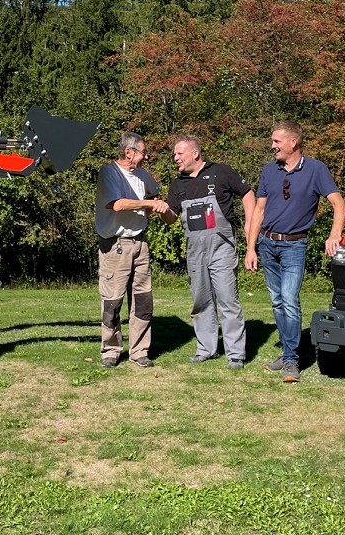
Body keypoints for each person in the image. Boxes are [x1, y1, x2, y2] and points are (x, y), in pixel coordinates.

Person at [245, 121, 345, 382]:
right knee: (277, 302)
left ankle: (291, 360)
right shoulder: (269, 171)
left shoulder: (316, 170)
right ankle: (289, 351)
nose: (273, 146)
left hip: (294, 245)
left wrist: (334, 234)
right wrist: (250, 247)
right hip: (267, 245)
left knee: (289, 300)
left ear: (293, 142)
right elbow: (259, 210)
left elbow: (338, 204)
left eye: (277, 141)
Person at [163, 136, 254, 369]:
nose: (175, 158)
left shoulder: (221, 172)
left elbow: (247, 193)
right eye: (175, 154)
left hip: (221, 247)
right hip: (195, 249)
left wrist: (250, 224)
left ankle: (235, 354)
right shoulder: (177, 185)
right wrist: (163, 210)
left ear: (195, 153)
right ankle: (206, 349)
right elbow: (172, 219)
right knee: (200, 301)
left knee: (227, 299)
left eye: (179, 154)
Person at [95, 131, 171, 368]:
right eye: (143, 152)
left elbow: (154, 193)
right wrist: (149, 204)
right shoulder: (109, 173)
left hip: (140, 243)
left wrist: (154, 204)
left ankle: (140, 351)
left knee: (142, 300)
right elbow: (116, 204)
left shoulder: (142, 174)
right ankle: (111, 350)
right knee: (113, 301)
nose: (146, 157)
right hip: (115, 246)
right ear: (129, 152)